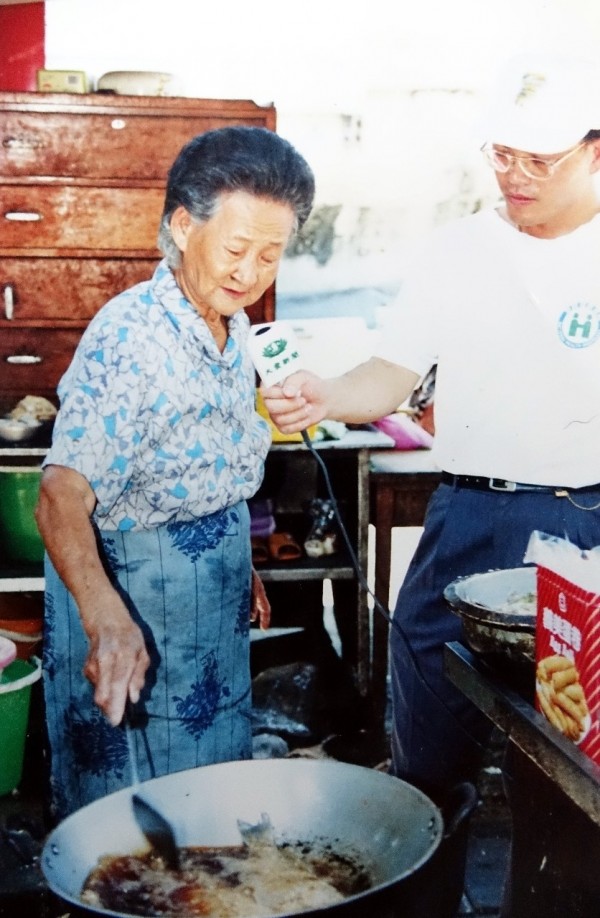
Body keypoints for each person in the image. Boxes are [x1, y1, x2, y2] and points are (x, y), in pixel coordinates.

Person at [262, 52, 600, 914]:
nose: (514, 175)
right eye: (500, 153)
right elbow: (392, 370)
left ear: (594, 151)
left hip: (589, 529)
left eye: (539, 159)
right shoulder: (459, 249)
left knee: (568, 761)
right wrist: (329, 392)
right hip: (472, 514)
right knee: (427, 741)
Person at [35, 125, 315, 821]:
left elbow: (203, 465)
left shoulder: (233, 327)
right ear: (183, 226)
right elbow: (58, 494)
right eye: (236, 249)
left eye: (270, 256)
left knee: (209, 813)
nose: (249, 272)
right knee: (132, 830)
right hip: (131, 614)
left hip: (208, 622)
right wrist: (105, 623)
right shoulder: (130, 336)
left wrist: (235, 557)